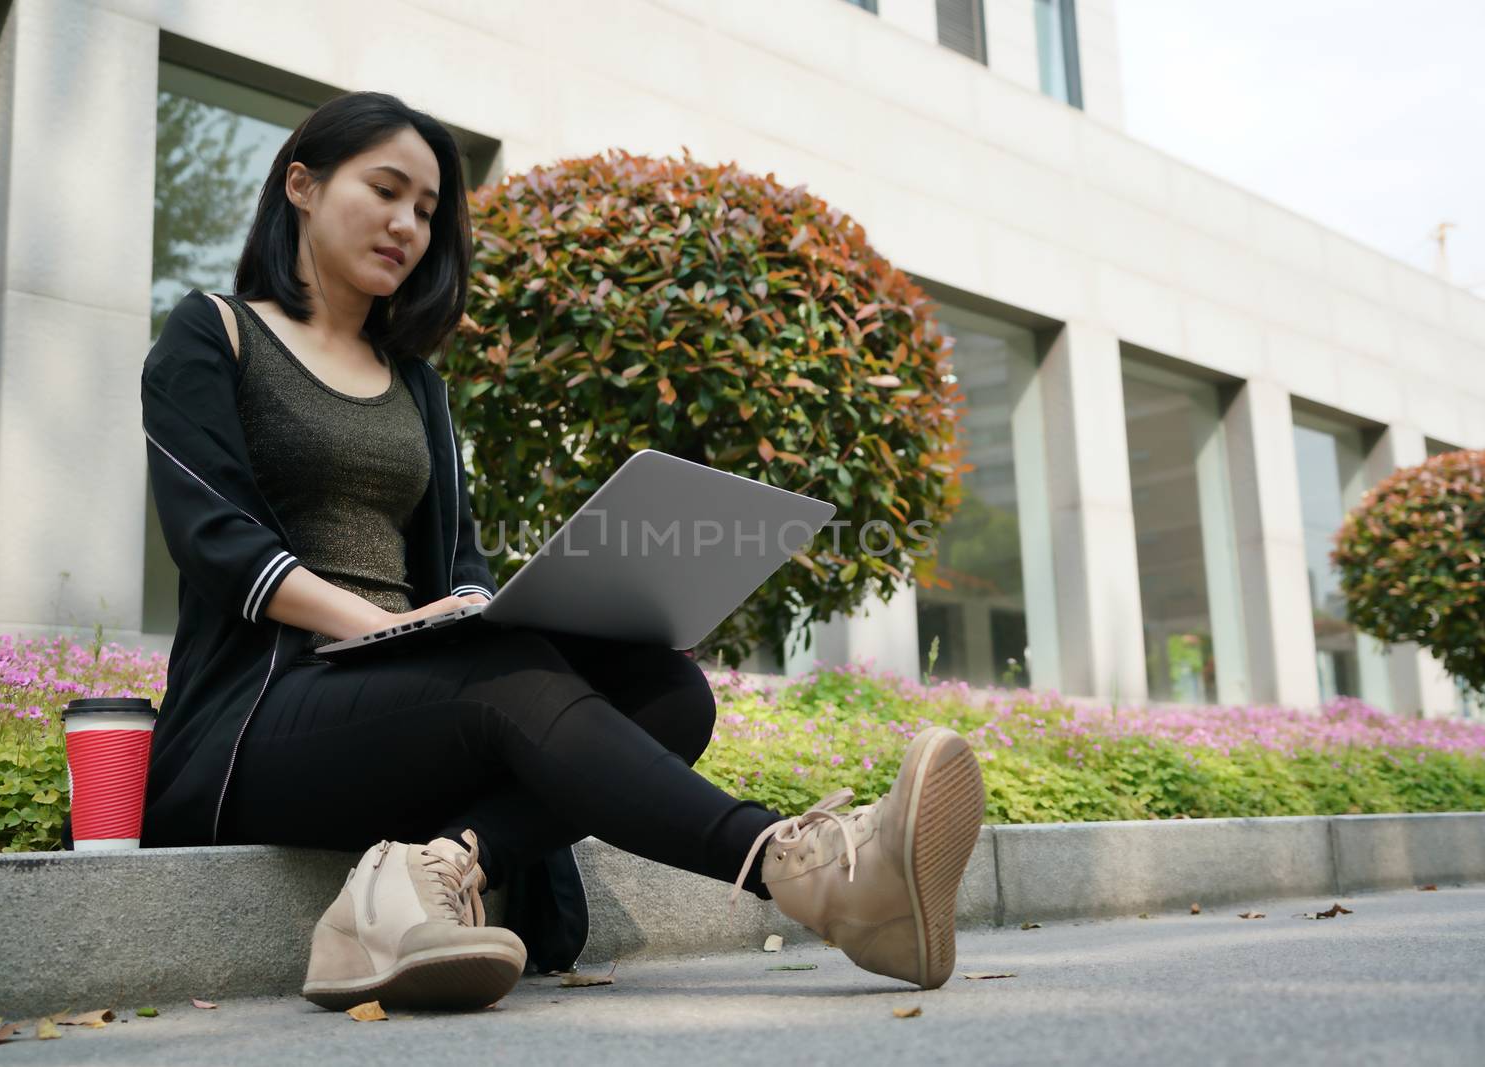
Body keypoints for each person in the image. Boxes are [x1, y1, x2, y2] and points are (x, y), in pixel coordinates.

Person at [138, 90, 986, 1013]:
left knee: (667, 689)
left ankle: (440, 866)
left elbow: (460, 562)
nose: (407, 225)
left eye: (426, 210)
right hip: (258, 724)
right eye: (386, 190)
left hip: (404, 699)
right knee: (504, 676)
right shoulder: (213, 332)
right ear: (300, 184)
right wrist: (395, 629)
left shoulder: (414, 385)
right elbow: (219, 543)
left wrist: (486, 611)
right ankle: (808, 871)